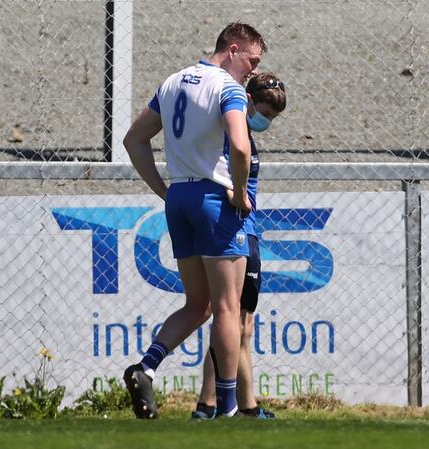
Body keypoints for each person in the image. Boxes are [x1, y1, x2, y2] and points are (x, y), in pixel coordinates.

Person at [121, 22, 267, 419]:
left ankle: (145, 367)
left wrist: (164, 191)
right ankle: (228, 407)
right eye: (252, 60)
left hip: (181, 197)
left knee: (198, 304)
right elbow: (240, 145)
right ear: (233, 49)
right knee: (227, 308)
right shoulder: (228, 87)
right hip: (216, 199)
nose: (253, 70)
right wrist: (238, 191)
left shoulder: (172, 82)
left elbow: (133, 139)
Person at [191, 73, 287, 420]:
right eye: (263, 113)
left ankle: (232, 405)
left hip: (247, 231)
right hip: (235, 231)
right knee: (231, 320)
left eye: (272, 118)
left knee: (239, 324)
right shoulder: (229, 132)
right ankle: (215, 405)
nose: (266, 122)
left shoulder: (243, 133)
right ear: (246, 99)